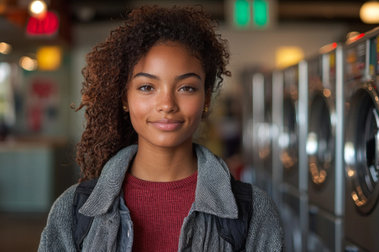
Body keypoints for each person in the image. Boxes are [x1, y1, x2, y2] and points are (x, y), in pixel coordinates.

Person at [38, 5, 284, 252]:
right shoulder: (73, 210)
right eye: (147, 87)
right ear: (125, 97)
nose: (167, 105)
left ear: (206, 99)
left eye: (186, 87)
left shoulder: (253, 212)